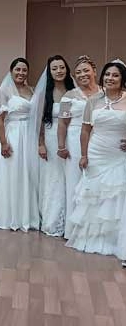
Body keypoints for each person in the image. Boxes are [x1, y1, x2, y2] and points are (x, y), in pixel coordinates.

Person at [66, 60, 126, 262]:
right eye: (107, 74)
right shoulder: (93, 101)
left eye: (115, 75)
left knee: (117, 194)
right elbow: (85, 129)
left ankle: (115, 240)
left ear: (122, 79)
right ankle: (93, 238)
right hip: (97, 151)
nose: (110, 78)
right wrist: (83, 154)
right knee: (95, 194)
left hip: (119, 153)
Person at [0, 57, 45, 231]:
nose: (21, 73)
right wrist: (3, 143)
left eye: (24, 70)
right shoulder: (5, 91)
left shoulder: (31, 90)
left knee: (29, 174)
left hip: (29, 135)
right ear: (11, 71)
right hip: (13, 134)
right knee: (13, 174)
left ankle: (28, 216)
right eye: (18, 70)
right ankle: (11, 216)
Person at [57, 55, 103, 239]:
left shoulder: (105, 92)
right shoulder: (69, 96)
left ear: (94, 71)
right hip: (75, 140)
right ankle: (74, 229)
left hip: (100, 140)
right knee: (75, 183)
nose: (82, 74)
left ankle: (96, 230)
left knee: (98, 183)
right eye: (78, 72)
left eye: (86, 70)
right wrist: (61, 146)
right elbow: (62, 123)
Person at [38, 55, 74, 237]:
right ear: (49, 72)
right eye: (54, 68)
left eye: (61, 67)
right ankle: (53, 221)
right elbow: (40, 122)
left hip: (72, 138)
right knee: (54, 180)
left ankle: (71, 221)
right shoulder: (45, 92)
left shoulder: (74, 89)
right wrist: (41, 144)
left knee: (71, 179)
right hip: (52, 139)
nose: (59, 71)